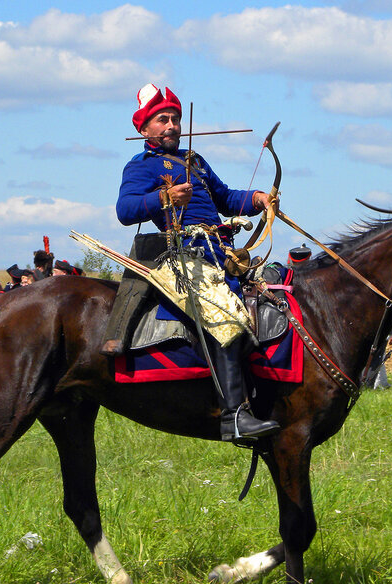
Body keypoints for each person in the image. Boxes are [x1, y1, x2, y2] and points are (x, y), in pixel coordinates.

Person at [108, 83, 279, 442]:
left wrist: (258, 198)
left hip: (222, 254)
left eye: (174, 119)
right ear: (144, 129)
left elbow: (227, 197)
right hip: (183, 255)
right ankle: (233, 416)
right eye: (162, 119)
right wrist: (164, 196)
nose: (171, 125)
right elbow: (125, 210)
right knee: (224, 318)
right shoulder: (140, 165)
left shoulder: (195, 161)